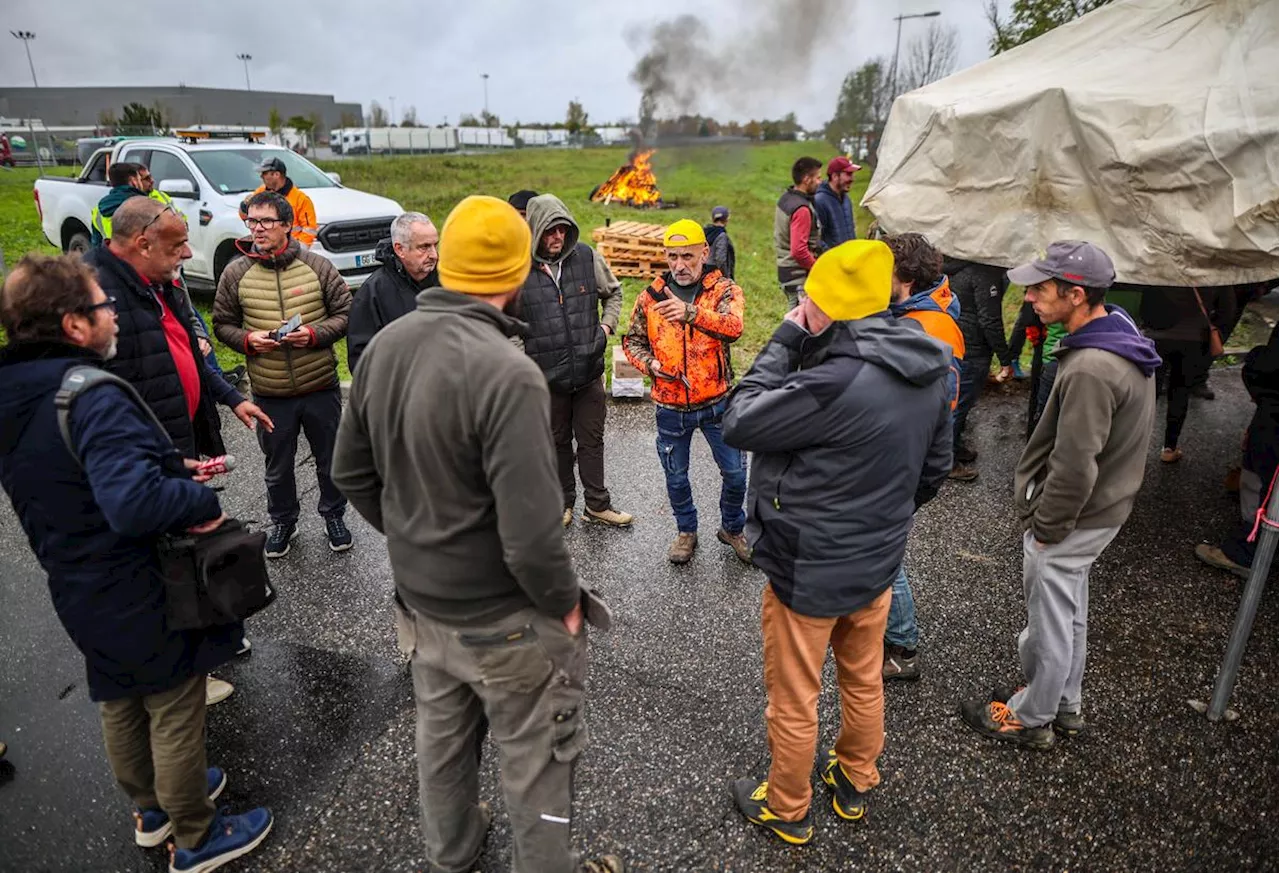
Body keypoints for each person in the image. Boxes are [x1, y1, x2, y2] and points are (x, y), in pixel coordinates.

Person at [331, 195, 623, 873]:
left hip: (423, 606)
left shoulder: (385, 347)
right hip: (505, 622)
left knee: (441, 744)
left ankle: (454, 850)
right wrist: (566, 604)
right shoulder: (509, 371)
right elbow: (529, 536)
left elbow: (350, 469)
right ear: (515, 273)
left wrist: (413, 538)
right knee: (539, 769)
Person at [0, 252, 274, 872]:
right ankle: (198, 836)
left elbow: (71, 473)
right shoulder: (90, 393)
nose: (114, 315)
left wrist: (166, 465)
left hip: (74, 576)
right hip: (138, 577)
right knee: (175, 703)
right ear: (73, 325)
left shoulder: (14, 390)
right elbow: (132, 504)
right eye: (104, 306)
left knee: (119, 694)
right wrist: (196, 497)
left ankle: (151, 810)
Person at [722, 240, 952, 845]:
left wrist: (784, 341)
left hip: (808, 570)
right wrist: (880, 520)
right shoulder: (931, 364)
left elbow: (740, 419)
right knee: (863, 677)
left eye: (808, 298)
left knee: (796, 697)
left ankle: (790, 807)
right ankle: (854, 779)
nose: (802, 305)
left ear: (825, 307)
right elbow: (934, 471)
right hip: (876, 564)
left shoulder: (831, 381)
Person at [961, 241, 1160, 750]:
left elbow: (1075, 465)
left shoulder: (1092, 367)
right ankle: (1064, 702)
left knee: (1049, 622)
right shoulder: (1119, 331)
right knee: (1068, 609)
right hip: (1101, 510)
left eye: (1041, 289)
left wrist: (1047, 527)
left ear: (1076, 294)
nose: (1029, 299)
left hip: (1075, 516)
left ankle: (1031, 715)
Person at [212, 190, 353, 559]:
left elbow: (345, 314)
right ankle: (283, 521)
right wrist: (247, 340)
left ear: (287, 225)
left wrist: (314, 335)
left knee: (330, 459)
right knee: (278, 467)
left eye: (265, 221)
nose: (257, 229)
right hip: (271, 392)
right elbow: (222, 324)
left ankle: (334, 516)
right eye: (251, 221)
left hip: (319, 384)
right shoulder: (235, 271)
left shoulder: (318, 266)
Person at [623, 219, 750, 565]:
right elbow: (632, 341)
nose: (680, 265)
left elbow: (734, 327)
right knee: (676, 477)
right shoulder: (650, 296)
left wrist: (691, 312)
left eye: (689, 257)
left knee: (736, 474)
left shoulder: (723, 290)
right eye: (673, 256)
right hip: (670, 405)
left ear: (704, 252)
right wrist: (650, 366)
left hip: (717, 403)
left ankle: (733, 528)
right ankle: (686, 532)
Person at [882, 232, 965, 682]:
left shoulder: (925, 329)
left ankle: (902, 647)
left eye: (886, 271)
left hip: (903, 465)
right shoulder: (919, 311)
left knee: (885, 555)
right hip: (910, 463)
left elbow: (929, 412)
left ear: (907, 279)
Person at [522, 194, 632, 528]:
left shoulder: (585, 257)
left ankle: (597, 505)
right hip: (546, 378)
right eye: (549, 231)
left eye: (562, 229)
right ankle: (562, 503)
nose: (557, 237)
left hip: (588, 374)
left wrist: (605, 327)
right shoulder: (518, 269)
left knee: (591, 442)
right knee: (557, 444)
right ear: (535, 230)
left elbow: (614, 292)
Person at [1195, 322, 1280, 579]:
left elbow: (1267, 367)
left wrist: (1254, 359)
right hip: (1271, 414)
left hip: (1274, 420)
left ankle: (1248, 550)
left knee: (1262, 484)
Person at [1138, 285, 1236, 463]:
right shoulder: (1214, 271)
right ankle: (1169, 448)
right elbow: (1228, 311)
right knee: (1180, 392)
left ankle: (1135, 447)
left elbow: (1145, 305)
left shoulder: (1159, 264)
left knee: (1148, 393)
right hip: (1194, 339)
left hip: (1156, 338)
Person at [945, 257, 1017, 481]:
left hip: (956, 341)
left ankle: (954, 448)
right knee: (959, 406)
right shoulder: (986, 273)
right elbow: (989, 320)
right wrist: (1005, 359)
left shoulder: (957, 263)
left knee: (957, 402)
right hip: (973, 348)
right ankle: (947, 462)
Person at [348, 211, 440, 374]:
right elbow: (362, 359)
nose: (433, 255)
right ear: (400, 249)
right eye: (424, 247)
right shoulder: (373, 292)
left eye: (435, 245)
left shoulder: (448, 282)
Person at [774, 157, 825, 308]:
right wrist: (818, 267)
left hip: (787, 272)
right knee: (798, 324)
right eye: (818, 178)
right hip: (798, 278)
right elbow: (798, 250)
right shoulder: (801, 209)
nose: (820, 182)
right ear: (807, 179)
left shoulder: (786, 198)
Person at [239, 156, 318, 248]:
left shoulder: (301, 199)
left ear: (276, 174)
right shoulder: (260, 192)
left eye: (264, 173)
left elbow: (309, 230)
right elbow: (246, 218)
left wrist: (298, 249)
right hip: (266, 246)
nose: (261, 176)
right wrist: (244, 206)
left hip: (290, 248)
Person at [90, 161, 147, 247]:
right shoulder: (146, 205)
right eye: (139, 179)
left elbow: (96, 245)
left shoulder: (98, 210)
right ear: (133, 181)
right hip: (140, 257)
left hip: (112, 258)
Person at [813, 156, 860, 251]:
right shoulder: (820, 201)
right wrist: (831, 256)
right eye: (849, 174)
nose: (852, 179)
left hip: (848, 260)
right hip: (833, 262)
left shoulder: (846, 200)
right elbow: (815, 238)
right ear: (834, 176)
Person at [704, 205, 736, 280]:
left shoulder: (704, 233)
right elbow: (720, 259)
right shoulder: (722, 236)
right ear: (726, 219)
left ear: (712, 219)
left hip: (703, 272)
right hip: (716, 275)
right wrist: (726, 277)